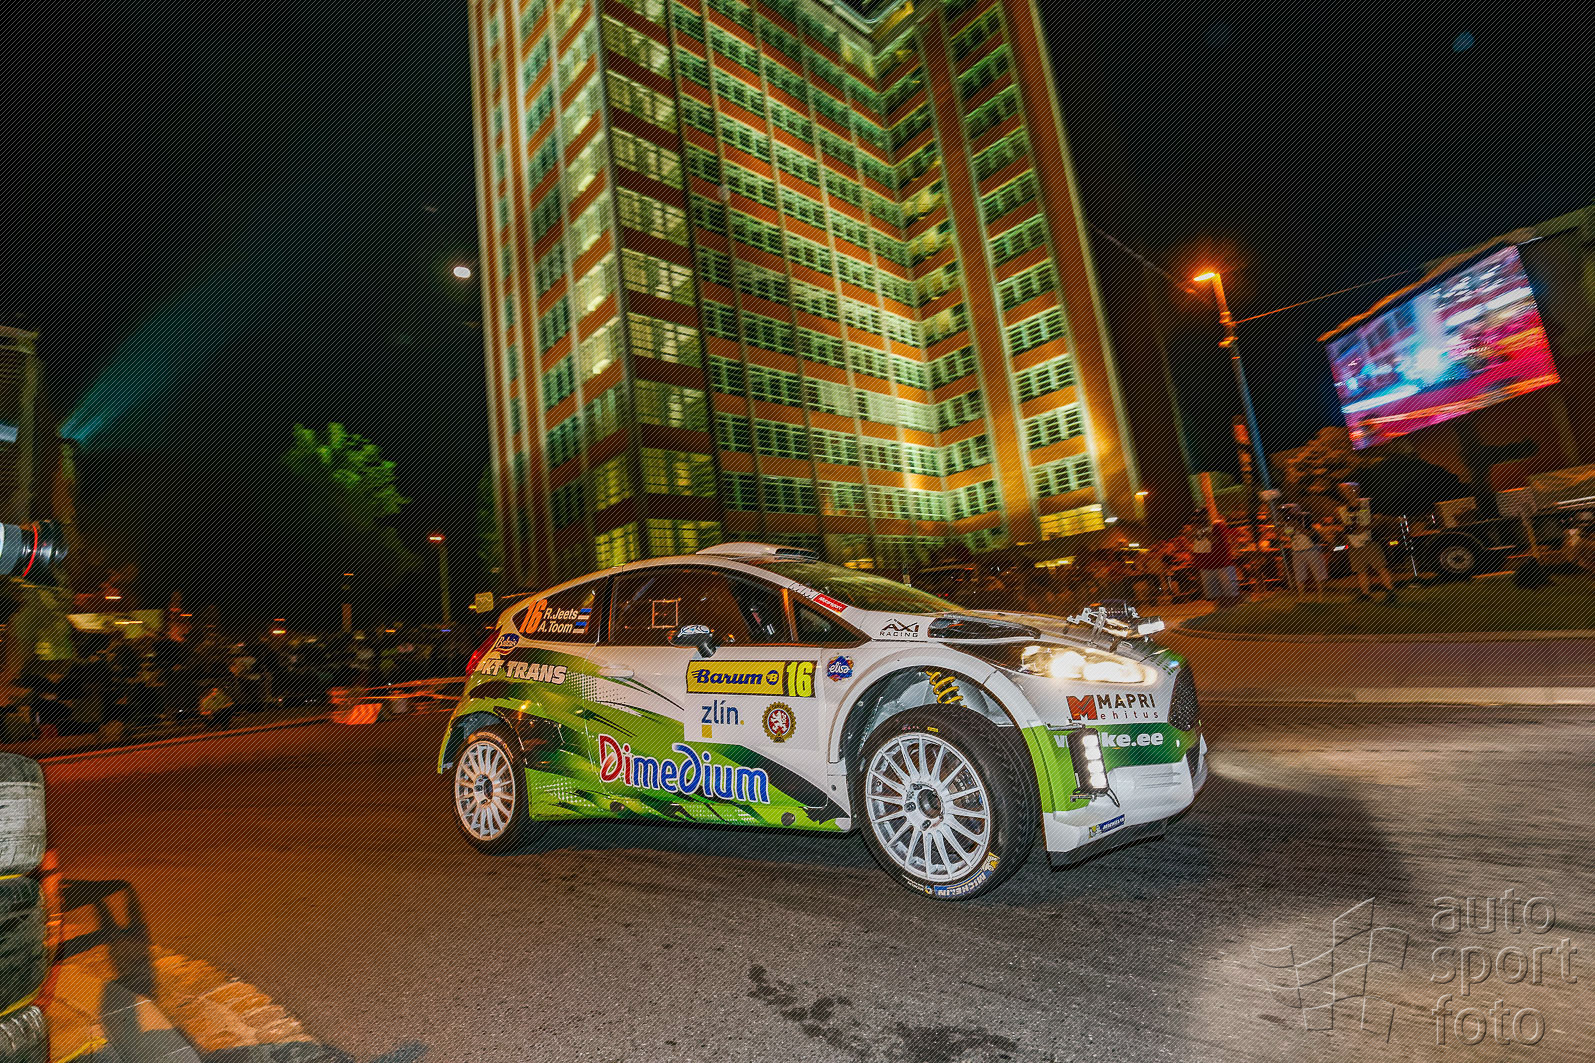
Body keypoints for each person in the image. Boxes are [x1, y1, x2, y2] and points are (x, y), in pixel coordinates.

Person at [1336, 481, 1397, 602]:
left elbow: (1379, 519)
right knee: (1360, 570)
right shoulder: (1342, 509)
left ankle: (1390, 591)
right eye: (1344, 491)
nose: (1347, 493)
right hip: (1353, 544)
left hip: (1369, 542)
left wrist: (1365, 528)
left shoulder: (1367, 503)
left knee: (1380, 567)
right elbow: (1344, 526)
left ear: (1356, 490)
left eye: (1349, 490)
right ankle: (1365, 593)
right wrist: (1345, 532)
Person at [1188, 512, 1240, 607]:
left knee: (1225, 595)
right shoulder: (1215, 526)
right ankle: (1228, 610)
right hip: (1215, 565)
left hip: (1215, 565)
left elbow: (1203, 548)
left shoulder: (1211, 527)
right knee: (1225, 594)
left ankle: (1228, 610)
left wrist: (1198, 563)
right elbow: (1223, 544)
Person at [1282, 507, 1328, 600]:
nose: (1290, 513)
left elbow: (1310, 533)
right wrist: (1287, 526)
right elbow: (1288, 534)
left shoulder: (1305, 518)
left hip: (1311, 549)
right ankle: (1301, 596)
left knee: (1318, 573)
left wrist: (1296, 526)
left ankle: (1321, 595)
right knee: (1299, 575)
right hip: (1296, 551)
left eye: (1291, 511)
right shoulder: (1289, 522)